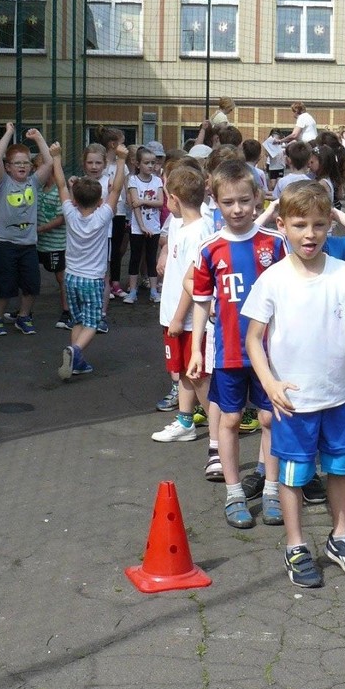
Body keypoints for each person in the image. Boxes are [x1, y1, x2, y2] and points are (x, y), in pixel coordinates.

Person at [244, 181, 345, 589]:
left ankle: (340, 537)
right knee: (294, 475)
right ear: (281, 225)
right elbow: (253, 339)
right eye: (300, 225)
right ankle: (296, 545)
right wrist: (270, 383)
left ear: (329, 228)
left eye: (319, 225)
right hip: (294, 403)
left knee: (340, 468)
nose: (310, 234)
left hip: (337, 398)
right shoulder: (274, 280)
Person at [188, 158, 286, 529]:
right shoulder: (210, 248)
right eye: (228, 202)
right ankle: (234, 494)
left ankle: (273, 490)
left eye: (245, 200)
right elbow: (201, 301)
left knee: (269, 418)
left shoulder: (274, 245)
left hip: (269, 354)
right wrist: (197, 348)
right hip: (228, 352)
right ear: (214, 200)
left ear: (259, 198)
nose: (238, 209)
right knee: (228, 420)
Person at [52, 139, 128, 379]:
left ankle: (77, 361)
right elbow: (116, 189)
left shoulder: (70, 214)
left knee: (77, 320)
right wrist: (122, 160)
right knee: (93, 322)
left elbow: (61, 184)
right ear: (99, 201)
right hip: (93, 280)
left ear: (74, 199)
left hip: (71, 278)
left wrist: (56, 157)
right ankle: (74, 350)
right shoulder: (103, 216)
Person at [151, 161, 213, 440]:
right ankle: (186, 422)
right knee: (185, 373)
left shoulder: (199, 230)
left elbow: (194, 280)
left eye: (167, 197)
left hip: (188, 320)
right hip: (175, 316)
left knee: (198, 375)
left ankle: (218, 430)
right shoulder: (182, 225)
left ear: (174, 200)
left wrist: (178, 318)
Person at [0, 123, 54, 336]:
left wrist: (38, 138)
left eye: (26, 163)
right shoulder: (4, 182)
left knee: (31, 284)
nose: (22, 166)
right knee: (4, 285)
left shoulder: (33, 182)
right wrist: (8, 133)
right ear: (8, 167)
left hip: (28, 244)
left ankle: (24, 316)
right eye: (17, 163)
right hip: (4, 242)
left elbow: (50, 161)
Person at [124, 144, 164, 304]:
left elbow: (160, 202)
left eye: (153, 163)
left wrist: (143, 201)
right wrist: (141, 226)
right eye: (147, 163)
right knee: (134, 258)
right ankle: (132, 291)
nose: (150, 166)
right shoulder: (133, 180)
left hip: (153, 227)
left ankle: (154, 291)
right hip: (138, 228)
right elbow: (134, 205)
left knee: (151, 259)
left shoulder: (157, 181)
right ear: (138, 164)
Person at [95, 126, 130, 299]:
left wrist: (130, 210)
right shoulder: (99, 165)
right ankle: (103, 281)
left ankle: (115, 282)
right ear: (112, 144)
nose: (126, 147)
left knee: (116, 249)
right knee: (103, 248)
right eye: (122, 143)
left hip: (119, 212)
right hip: (102, 212)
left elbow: (126, 188)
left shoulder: (121, 167)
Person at [36, 175, 71, 328]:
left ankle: (67, 311)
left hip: (57, 243)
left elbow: (61, 218)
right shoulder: (36, 189)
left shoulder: (59, 191)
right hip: (38, 243)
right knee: (29, 274)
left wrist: (40, 229)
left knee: (61, 278)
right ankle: (24, 310)